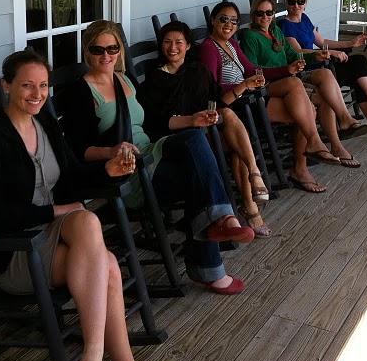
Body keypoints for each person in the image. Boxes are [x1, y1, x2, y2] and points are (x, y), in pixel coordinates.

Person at [0, 50, 149, 361]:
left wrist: (107, 170)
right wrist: (54, 210)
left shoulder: (45, 123)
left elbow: (72, 174)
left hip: (52, 234)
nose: (37, 94)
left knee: (88, 223)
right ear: (6, 85)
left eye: (43, 85)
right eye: (27, 85)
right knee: (106, 264)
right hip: (13, 250)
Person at [57, 20, 254, 295]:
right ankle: (213, 260)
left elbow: (152, 122)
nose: (106, 55)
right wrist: (112, 151)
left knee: (195, 137)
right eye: (98, 49)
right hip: (126, 170)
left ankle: (222, 223)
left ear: (119, 50)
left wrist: (191, 119)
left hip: (150, 150)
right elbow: (80, 150)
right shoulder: (80, 92)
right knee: (198, 179)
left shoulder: (125, 80)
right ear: (87, 52)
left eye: (112, 48)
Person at [138, 21, 271, 238]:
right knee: (236, 139)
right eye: (167, 42)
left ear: (188, 46)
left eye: (179, 42)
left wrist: (245, 85)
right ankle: (250, 204)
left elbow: (219, 101)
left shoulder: (198, 71)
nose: (173, 47)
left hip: (207, 133)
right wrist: (191, 121)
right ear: (161, 46)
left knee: (231, 125)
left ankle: (251, 188)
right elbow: (156, 122)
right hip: (179, 140)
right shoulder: (154, 80)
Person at [199, 0, 341, 193]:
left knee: (306, 108)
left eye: (234, 21)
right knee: (300, 99)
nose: (229, 24)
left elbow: (252, 70)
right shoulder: (209, 48)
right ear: (213, 20)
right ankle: (308, 154)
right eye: (224, 19)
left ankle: (303, 165)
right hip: (238, 105)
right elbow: (213, 89)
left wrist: (286, 69)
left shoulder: (230, 43)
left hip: (251, 96)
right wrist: (244, 85)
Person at [240, 0, 367, 168]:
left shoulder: (275, 31)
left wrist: (316, 56)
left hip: (289, 78)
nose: (265, 17)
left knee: (325, 75)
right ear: (253, 15)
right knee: (308, 96)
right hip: (271, 84)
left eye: (269, 13)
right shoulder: (250, 37)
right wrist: (286, 69)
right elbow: (253, 70)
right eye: (260, 13)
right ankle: (314, 148)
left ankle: (341, 132)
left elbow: (293, 55)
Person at [280, 0, 367, 147]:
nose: (296, 6)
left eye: (300, 2)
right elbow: (297, 51)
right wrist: (330, 52)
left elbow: (323, 42)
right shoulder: (285, 25)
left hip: (323, 63)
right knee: (357, 72)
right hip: (310, 70)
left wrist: (350, 43)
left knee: (359, 64)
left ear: (306, 3)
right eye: (292, 2)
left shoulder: (304, 19)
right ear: (287, 3)